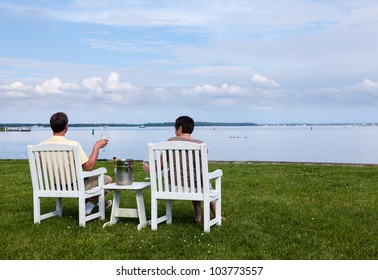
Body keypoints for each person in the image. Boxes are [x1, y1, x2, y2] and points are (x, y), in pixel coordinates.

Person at [142, 115, 217, 223]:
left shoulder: (170, 142)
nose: (174, 132)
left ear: (180, 128)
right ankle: (216, 215)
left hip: (174, 186)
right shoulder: (201, 144)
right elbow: (202, 167)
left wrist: (150, 168)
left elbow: (160, 166)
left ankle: (198, 216)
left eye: (175, 129)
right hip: (197, 186)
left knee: (192, 179)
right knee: (202, 182)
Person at [41, 112, 112, 215]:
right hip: (74, 186)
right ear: (67, 127)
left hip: (54, 185)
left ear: (51, 127)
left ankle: (99, 203)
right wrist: (96, 147)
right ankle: (89, 207)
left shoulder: (41, 146)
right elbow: (89, 167)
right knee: (107, 179)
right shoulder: (73, 145)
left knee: (86, 180)